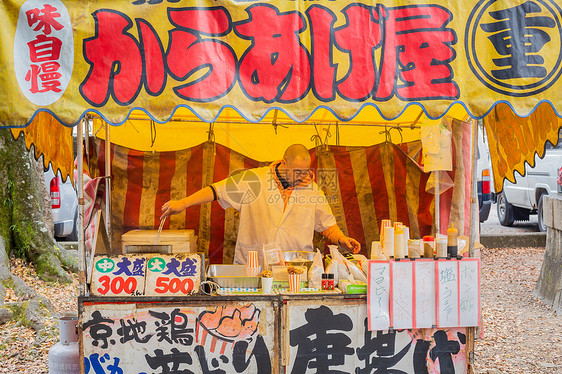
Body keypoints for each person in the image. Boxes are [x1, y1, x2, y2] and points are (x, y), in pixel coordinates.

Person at [161, 144, 360, 264]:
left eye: (305, 171)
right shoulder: (254, 180)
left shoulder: (312, 189)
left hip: (295, 269)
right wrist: (183, 203)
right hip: (255, 264)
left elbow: (326, 223)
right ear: (284, 163)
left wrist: (341, 239)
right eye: (297, 171)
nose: (302, 176)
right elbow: (216, 191)